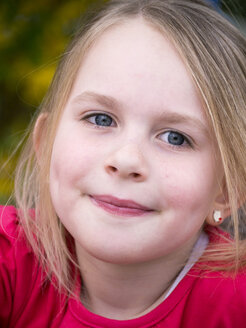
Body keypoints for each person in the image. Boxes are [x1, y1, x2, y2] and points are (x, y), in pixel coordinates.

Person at [1, 0, 246, 326]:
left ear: (226, 190)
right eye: (100, 118)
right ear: (46, 144)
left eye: (175, 137)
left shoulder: (234, 304)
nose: (127, 160)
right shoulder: (12, 260)